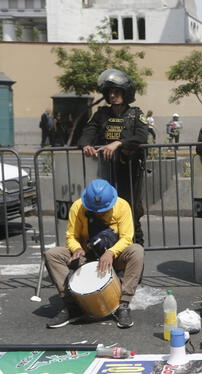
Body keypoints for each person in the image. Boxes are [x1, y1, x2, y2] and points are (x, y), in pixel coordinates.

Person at [44, 179, 144, 329]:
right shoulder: (77, 207)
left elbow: (127, 238)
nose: (99, 213)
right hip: (87, 254)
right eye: (95, 210)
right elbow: (71, 236)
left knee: (137, 250)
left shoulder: (122, 206)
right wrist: (76, 248)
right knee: (52, 254)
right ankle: (72, 306)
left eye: (103, 210)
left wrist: (111, 252)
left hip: (114, 256)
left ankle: (123, 304)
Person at [78, 68, 148, 245]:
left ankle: (135, 250)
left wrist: (119, 143)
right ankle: (106, 245)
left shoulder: (136, 114)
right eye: (110, 92)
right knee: (104, 210)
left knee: (130, 210)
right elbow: (88, 131)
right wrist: (86, 144)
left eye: (117, 91)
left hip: (130, 170)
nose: (113, 95)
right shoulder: (102, 114)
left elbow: (141, 136)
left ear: (126, 93)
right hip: (106, 170)